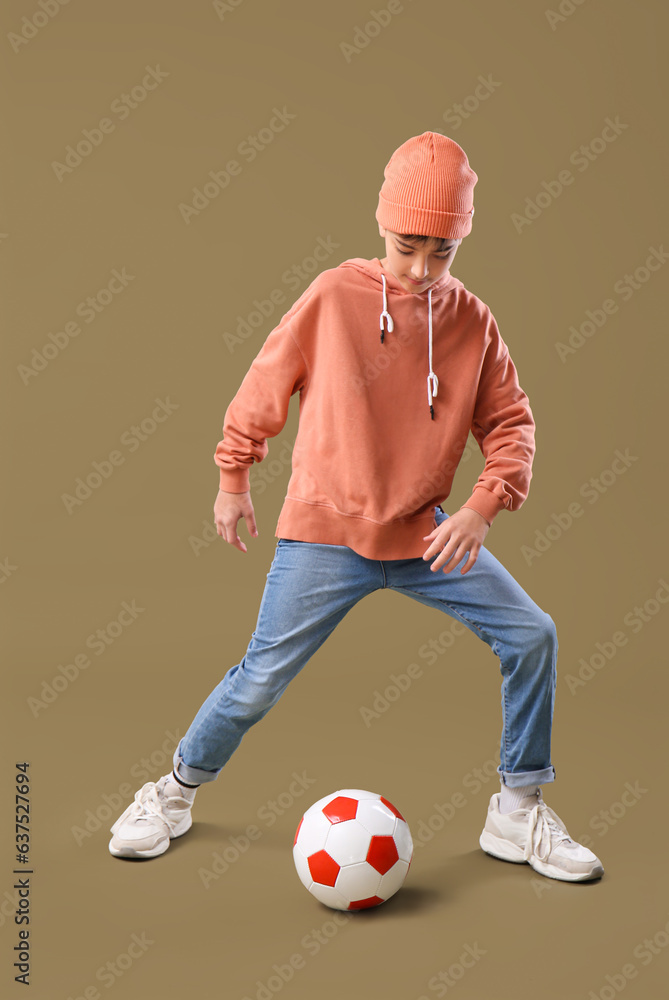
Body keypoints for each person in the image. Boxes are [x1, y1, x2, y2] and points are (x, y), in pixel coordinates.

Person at [108, 131, 604, 883]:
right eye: (408, 246)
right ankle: (171, 794)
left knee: (532, 636)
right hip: (323, 537)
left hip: (427, 538)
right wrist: (232, 474)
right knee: (259, 678)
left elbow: (510, 424)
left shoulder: (472, 321)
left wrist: (479, 507)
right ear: (382, 226)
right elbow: (263, 384)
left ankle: (518, 810)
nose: (420, 268)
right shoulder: (333, 297)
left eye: (442, 251)